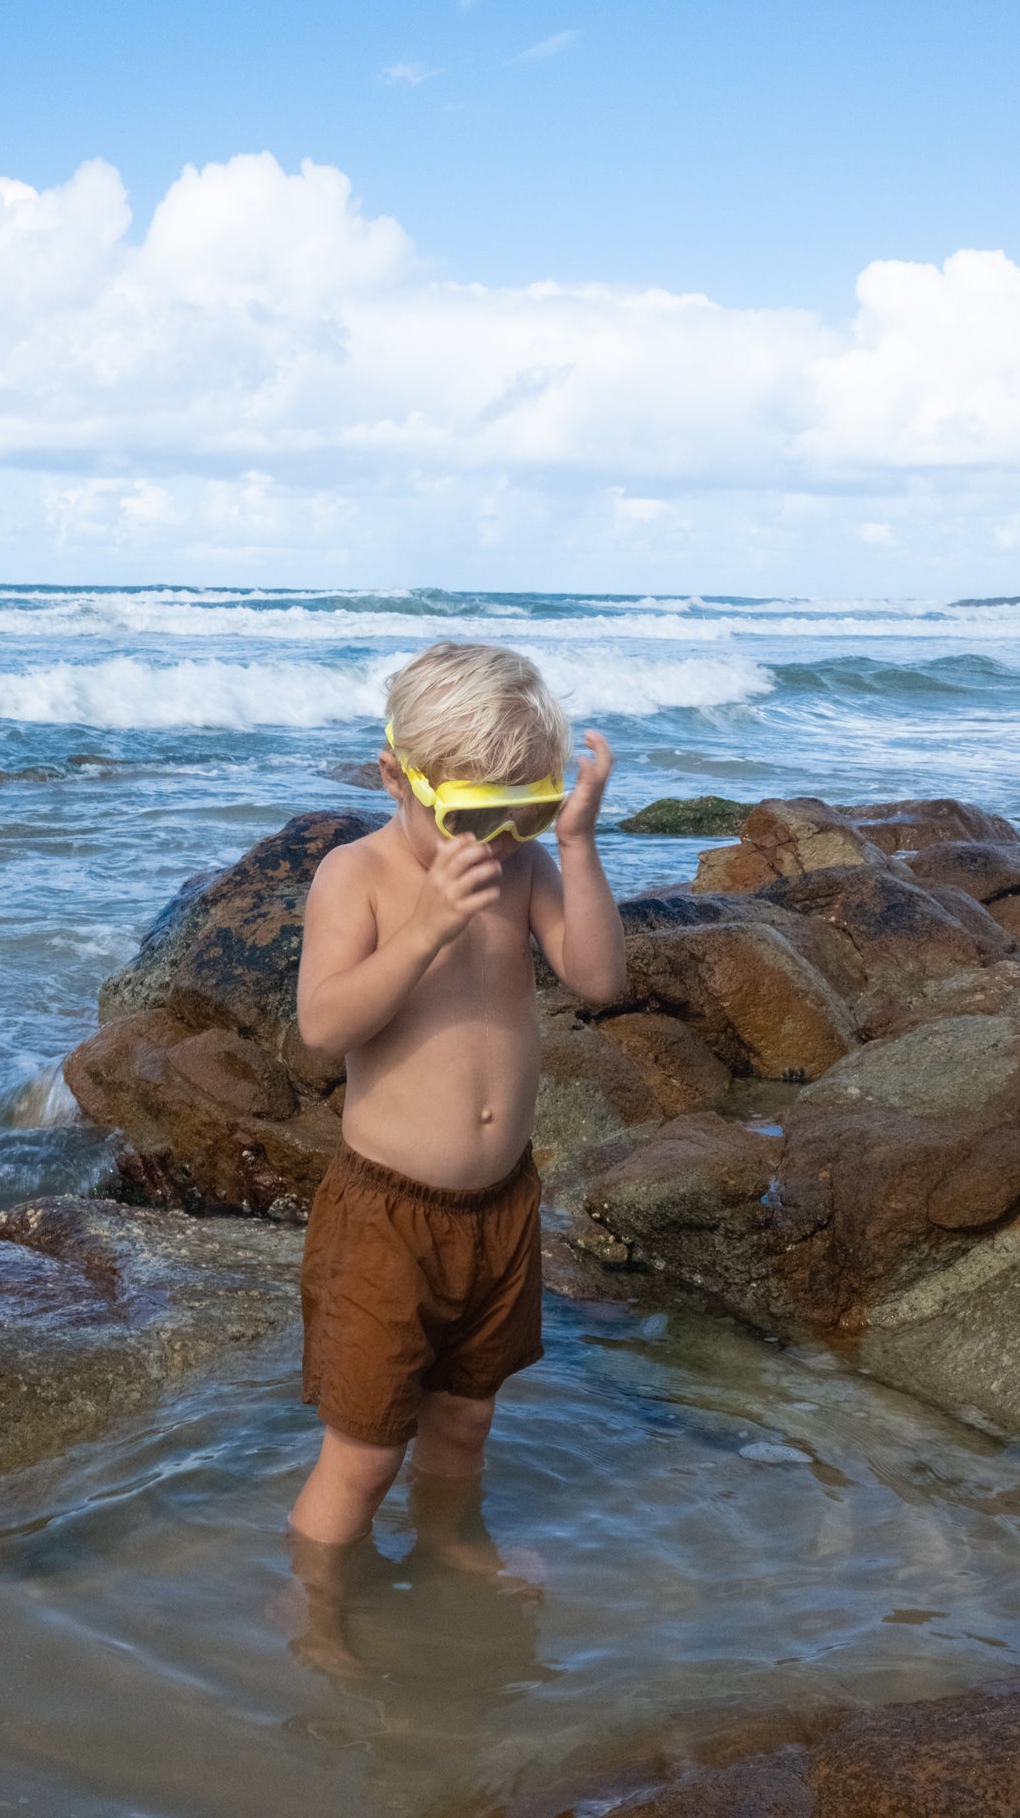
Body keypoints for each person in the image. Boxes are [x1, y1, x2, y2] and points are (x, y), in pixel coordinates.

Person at [289, 642, 625, 1563]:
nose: (500, 838)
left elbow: (597, 978)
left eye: (530, 808)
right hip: (387, 1219)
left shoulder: (525, 865)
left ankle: (448, 1549)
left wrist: (575, 843)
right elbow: (323, 1025)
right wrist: (424, 931)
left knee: (466, 1420)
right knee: (365, 1453)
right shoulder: (356, 875)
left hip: (498, 1208)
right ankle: (315, 1607)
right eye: (476, 814)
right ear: (396, 777)